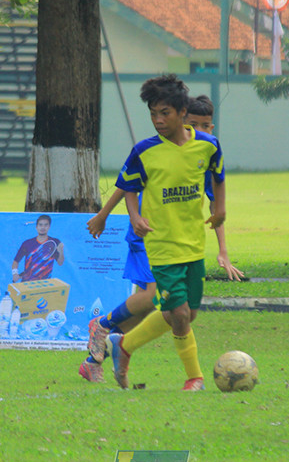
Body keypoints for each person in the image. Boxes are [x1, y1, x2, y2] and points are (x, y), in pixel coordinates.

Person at [80, 95, 243, 383]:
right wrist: (106, 214)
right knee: (160, 299)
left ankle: (111, 347)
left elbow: (215, 205)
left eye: (207, 125)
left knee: (172, 310)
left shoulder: (203, 153)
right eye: (196, 124)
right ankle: (104, 327)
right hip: (150, 233)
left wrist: (223, 250)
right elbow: (126, 183)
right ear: (184, 118)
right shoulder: (153, 150)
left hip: (185, 240)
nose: (202, 130)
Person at [12, 214, 65, 282]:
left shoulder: (55, 242)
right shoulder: (27, 243)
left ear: (49, 227)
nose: (43, 227)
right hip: (27, 282)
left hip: (45, 283)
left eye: (46, 225)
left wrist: (61, 251)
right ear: (36, 227)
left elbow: (60, 263)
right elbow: (15, 261)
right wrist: (15, 273)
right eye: (40, 225)